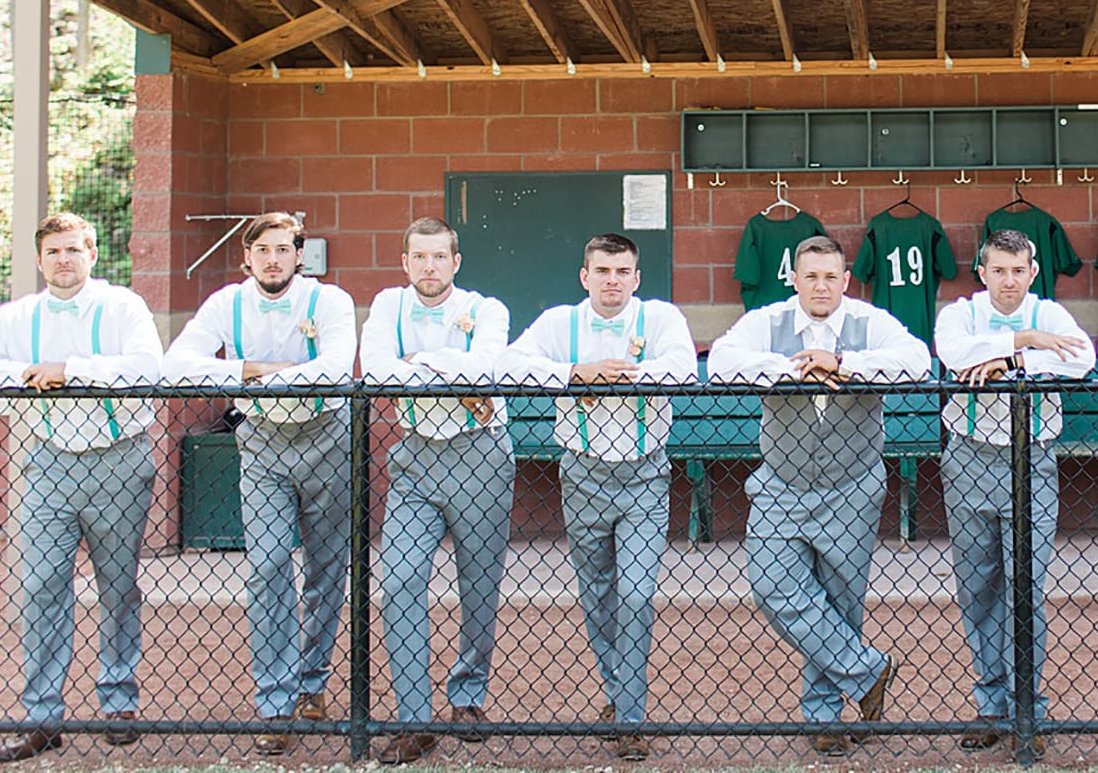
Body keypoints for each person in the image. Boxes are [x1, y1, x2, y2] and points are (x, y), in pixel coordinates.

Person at [0, 213, 161, 763]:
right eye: (54, 251)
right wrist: (24, 373)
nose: (64, 260)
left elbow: (147, 367)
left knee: (117, 586)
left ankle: (119, 701)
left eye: (74, 250)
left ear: (92, 255)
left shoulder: (123, 306)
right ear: (39, 260)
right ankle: (42, 717)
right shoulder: (21, 316)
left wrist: (70, 370)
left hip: (119, 460)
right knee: (39, 587)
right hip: (48, 464)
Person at [707, 235, 931, 756]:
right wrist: (792, 369)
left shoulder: (868, 321)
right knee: (771, 584)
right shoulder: (769, 321)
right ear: (795, 280)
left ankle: (825, 716)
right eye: (810, 277)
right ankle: (868, 671)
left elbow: (917, 360)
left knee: (839, 602)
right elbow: (721, 360)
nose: (821, 286)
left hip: (852, 483)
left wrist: (843, 364)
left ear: (845, 280)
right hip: (781, 483)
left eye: (831, 277)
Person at [163, 212, 357, 756]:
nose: (273, 259)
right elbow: (176, 364)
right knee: (268, 565)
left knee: (325, 568)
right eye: (263, 250)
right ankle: (275, 701)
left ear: (299, 256)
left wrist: (258, 373)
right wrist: (250, 370)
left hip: (326, 436)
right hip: (262, 442)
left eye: (283, 249)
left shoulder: (330, 301)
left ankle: (311, 683)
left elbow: (336, 367)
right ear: (246, 257)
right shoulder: (226, 303)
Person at [498, 233, 697, 762]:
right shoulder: (560, 322)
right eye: (603, 271)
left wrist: (620, 376)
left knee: (635, 593)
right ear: (585, 276)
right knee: (597, 591)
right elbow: (510, 364)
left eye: (622, 271)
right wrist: (573, 374)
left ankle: (629, 715)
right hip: (582, 474)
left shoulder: (659, 318)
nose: (613, 280)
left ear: (636, 278)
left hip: (645, 476)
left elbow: (683, 368)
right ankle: (619, 692)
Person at [933, 228, 1094, 755]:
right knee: (978, 586)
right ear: (982, 273)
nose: (1008, 281)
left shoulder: (1051, 313)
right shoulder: (962, 313)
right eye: (998, 270)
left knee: (1025, 586)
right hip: (969, 457)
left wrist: (1010, 362)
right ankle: (990, 704)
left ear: (1033, 272)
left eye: (1018, 270)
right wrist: (1024, 342)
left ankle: (1028, 707)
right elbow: (954, 353)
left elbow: (1081, 359)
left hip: (1033, 460)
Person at [360, 217, 514, 766]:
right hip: (416, 456)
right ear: (405, 262)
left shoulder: (487, 309)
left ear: (456, 262)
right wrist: (455, 376)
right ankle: (415, 718)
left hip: (481, 454)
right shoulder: (388, 305)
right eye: (420, 257)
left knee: (479, 585)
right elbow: (376, 371)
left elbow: (486, 366)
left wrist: (419, 364)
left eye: (440, 257)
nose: (430, 267)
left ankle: (468, 695)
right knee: (400, 579)